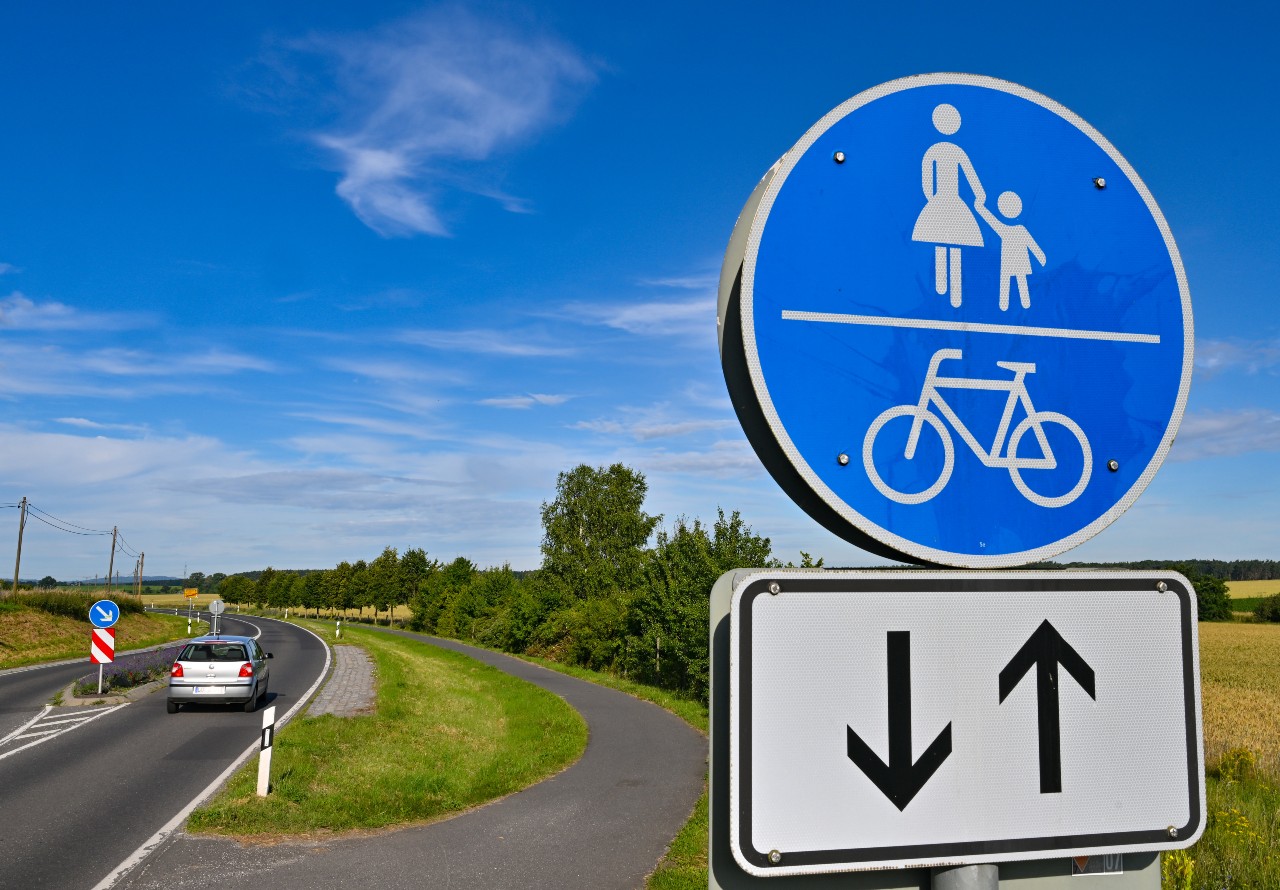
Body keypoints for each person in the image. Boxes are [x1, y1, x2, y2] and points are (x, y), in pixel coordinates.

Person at [912, 103, 987, 308]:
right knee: (946, 244)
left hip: (946, 202)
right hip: (946, 202)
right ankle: (944, 291)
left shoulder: (947, 151)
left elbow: (967, 175)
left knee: (952, 245)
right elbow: (928, 177)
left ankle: (951, 292)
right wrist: (979, 195)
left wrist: (932, 198)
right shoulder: (940, 150)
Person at [976, 191, 1046, 310]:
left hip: (1017, 261)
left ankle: (1023, 305)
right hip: (1012, 261)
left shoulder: (1017, 229)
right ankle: (1004, 306)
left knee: (1018, 281)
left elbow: (1032, 244)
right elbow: (991, 221)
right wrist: (980, 208)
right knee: (1008, 282)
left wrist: (1040, 256)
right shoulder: (1009, 229)